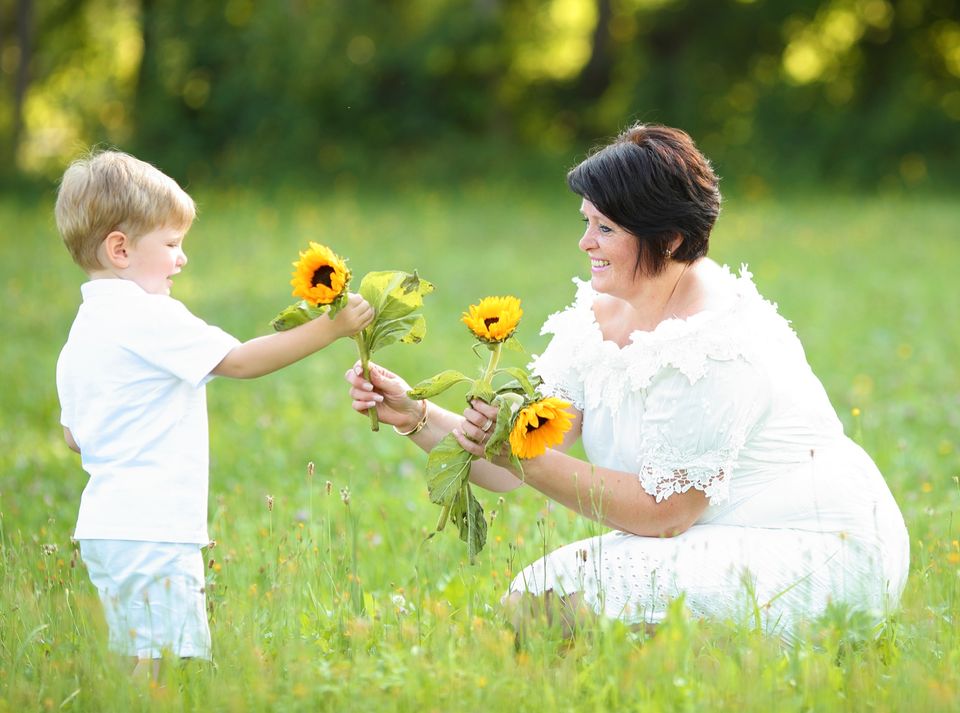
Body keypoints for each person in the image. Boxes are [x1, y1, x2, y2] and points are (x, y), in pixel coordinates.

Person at [345, 124, 909, 643]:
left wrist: (522, 457)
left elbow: (666, 513)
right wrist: (415, 415)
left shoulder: (716, 342)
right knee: (540, 598)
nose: (585, 242)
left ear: (666, 239)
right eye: (586, 221)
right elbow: (512, 461)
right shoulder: (599, 312)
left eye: (605, 228)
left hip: (814, 548)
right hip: (708, 535)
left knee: (554, 603)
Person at [55, 150, 373, 678]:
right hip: (154, 527)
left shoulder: (84, 330)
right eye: (172, 245)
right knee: (154, 669)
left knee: (135, 654)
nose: (182, 259)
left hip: (105, 529)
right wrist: (332, 329)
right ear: (120, 249)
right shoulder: (147, 314)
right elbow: (240, 362)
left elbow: (73, 435)